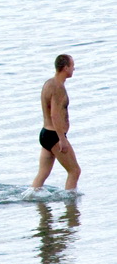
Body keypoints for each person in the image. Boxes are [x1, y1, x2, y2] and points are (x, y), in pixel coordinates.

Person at [31, 54, 81, 192]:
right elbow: (55, 115)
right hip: (54, 135)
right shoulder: (58, 88)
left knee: (42, 174)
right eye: (72, 66)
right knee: (74, 171)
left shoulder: (48, 83)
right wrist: (62, 139)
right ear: (65, 68)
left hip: (45, 133)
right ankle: (71, 208)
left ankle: (32, 199)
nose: (74, 69)